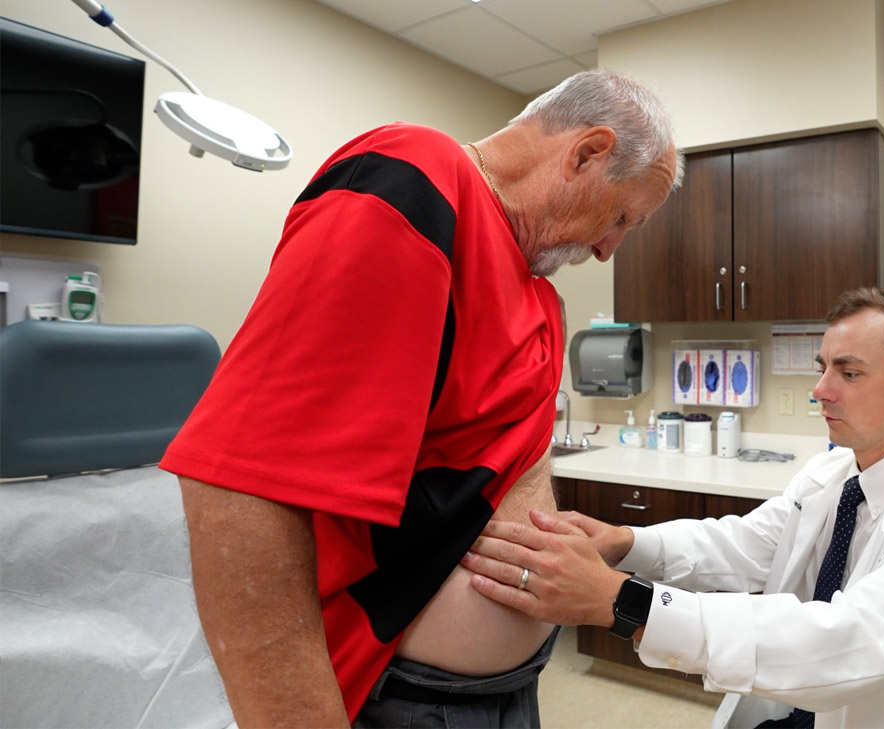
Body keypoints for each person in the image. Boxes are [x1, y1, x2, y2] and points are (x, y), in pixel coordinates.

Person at [160, 69, 682, 729]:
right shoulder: (417, 180)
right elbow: (243, 486)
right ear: (585, 153)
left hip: (508, 694)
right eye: (622, 218)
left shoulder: (539, 297)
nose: (610, 249)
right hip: (399, 697)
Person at [463, 286, 884, 729]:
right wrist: (627, 542)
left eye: (849, 372)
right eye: (822, 367)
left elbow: (842, 640)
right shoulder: (833, 472)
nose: (821, 390)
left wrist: (622, 601)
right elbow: (745, 544)